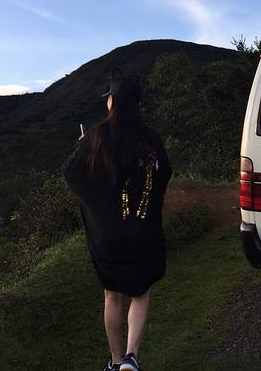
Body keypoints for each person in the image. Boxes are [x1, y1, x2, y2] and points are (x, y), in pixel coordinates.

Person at [61, 68, 172, 371]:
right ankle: (131, 358)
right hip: (144, 233)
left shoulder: (94, 138)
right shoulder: (151, 138)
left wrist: (85, 149)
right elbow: (164, 173)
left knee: (112, 296)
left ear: (111, 101)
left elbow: (71, 174)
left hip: (108, 237)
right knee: (140, 293)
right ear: (138, 104)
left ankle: (114, 360)